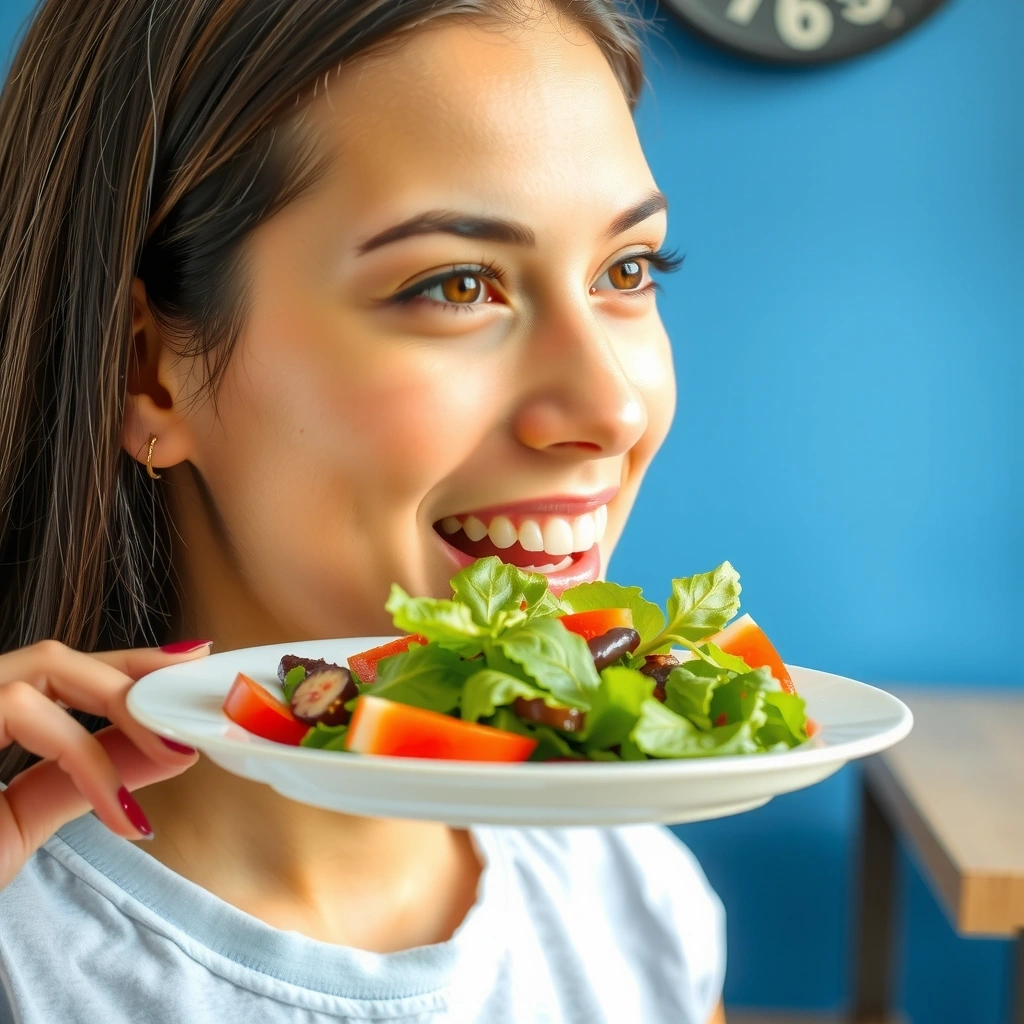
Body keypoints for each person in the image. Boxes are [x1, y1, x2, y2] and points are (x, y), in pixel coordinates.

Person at [0, 0, 728, 1020]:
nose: (609, 409)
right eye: (457, 284)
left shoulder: (635, 907)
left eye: (626, 270)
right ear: (145, 372)